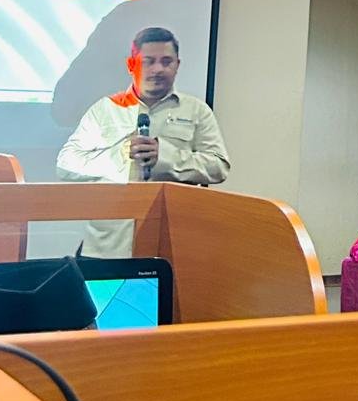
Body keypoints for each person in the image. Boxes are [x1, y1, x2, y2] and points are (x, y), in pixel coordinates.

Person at [57, 26, 230, 256]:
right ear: (131, 65)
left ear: (177, 65)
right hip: (107, 246)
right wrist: (118, 156)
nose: (158, 69)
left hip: (171, 244)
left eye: (166, 61)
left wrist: (165, 157)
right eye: (148, 61)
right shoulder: (105, 110)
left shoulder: (197, 111)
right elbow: (66, 164)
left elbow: (218, 166)